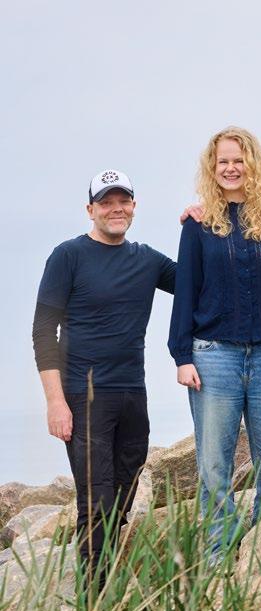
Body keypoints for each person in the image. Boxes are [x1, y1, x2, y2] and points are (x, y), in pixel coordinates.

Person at [168, 126, 261, 556]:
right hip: (213, 356)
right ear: (212, 168)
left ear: (253, 165)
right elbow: (186, 289)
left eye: (238, 160)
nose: (231, 168)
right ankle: (218, 557)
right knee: (214, 464)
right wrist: (181, 354)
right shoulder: (198, 225)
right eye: (223, 162)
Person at [32, 169, 176, 588]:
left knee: (123, 497)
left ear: (134, 206)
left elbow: (199, 281)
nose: (116, 209)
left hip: (133, 393)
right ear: (90, 209)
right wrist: (55, 402)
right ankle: (93, 600)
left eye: (123, 201)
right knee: (95, 501)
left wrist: (203, 224)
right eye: (106, 202)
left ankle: (108, 588)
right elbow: (43, 331)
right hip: (83, 396)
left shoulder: (148, 260)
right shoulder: (68, 256)